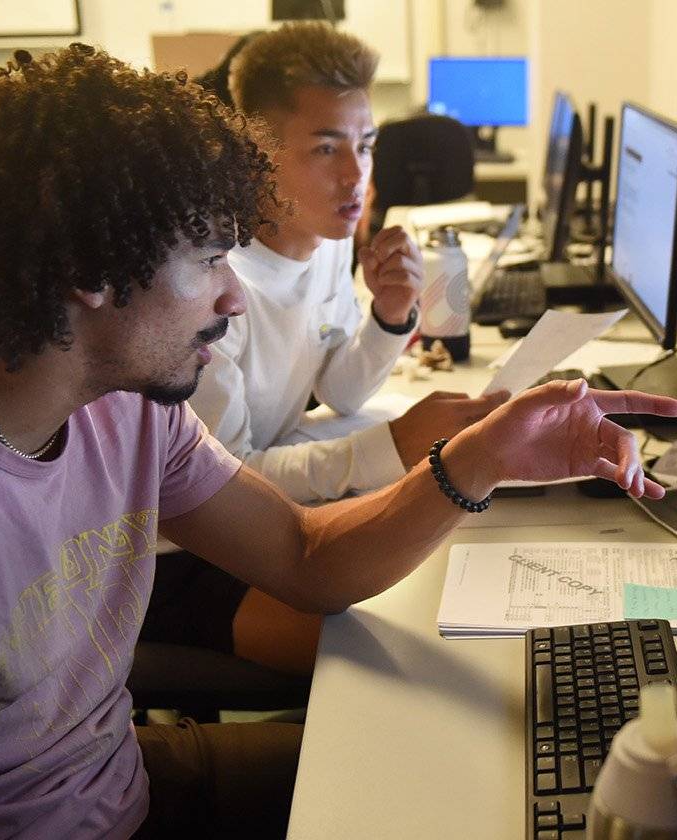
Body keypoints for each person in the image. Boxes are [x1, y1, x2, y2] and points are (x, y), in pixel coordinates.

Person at [0, 44, 677, 840]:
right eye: (207, 257)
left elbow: (307, 557)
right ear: (91, 271)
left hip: (126, 782)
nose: (232, 293)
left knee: (477, 782)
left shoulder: (124, 401)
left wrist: (481, 457)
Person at [141, 23, 502, 678]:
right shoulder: (214, 287)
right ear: (256, 150)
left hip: (270, 507)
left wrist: (391, 317)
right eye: (326, 148)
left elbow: (341, 392)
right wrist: (389, 447)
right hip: (183, 552)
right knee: (392, 644)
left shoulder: (329, 239)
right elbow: (228, 483)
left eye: (365, 144)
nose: (356, 174)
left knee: (443, 554)